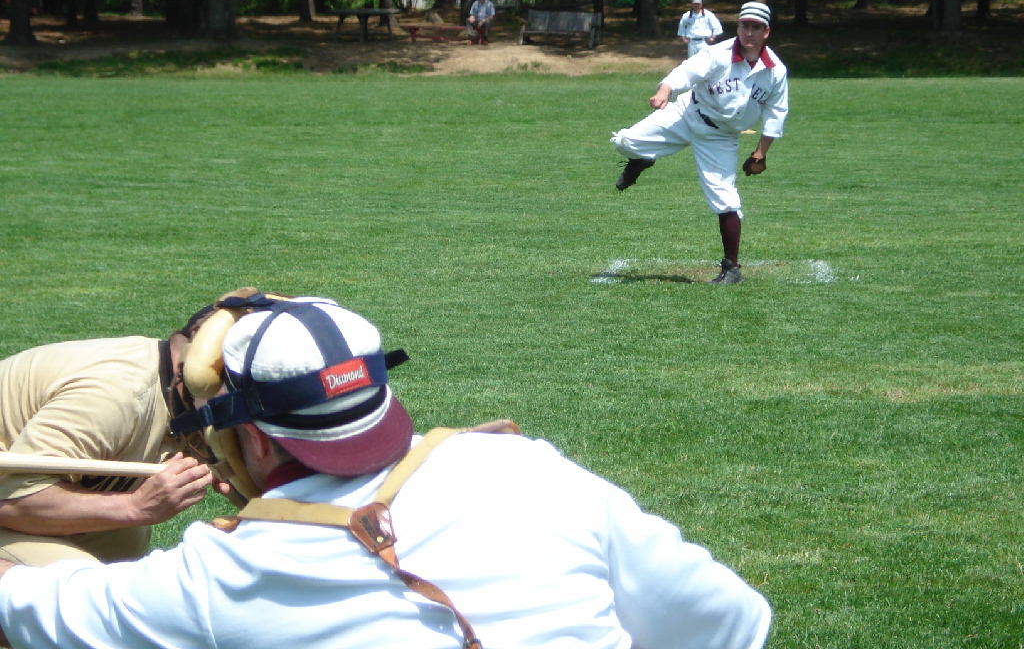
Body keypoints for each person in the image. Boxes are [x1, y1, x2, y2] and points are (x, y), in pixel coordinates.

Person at [0, 292, 772, 649]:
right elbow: (730, 623)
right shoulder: (528, 470)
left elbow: (40, 607)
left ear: (257, 442)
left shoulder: (225, 572)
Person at [0, 308, 218, 567]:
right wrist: (136, 506)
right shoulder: (118, 395)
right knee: (82, 583)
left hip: (22, 493)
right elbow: (12, 500)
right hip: (13, 498)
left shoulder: (185, 394)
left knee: (125, 546)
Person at [611, 1, 789, 285]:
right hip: (687, 113)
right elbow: (686, 71)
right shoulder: (719, 53)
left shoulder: (775, 71)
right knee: (625, 141)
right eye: (745, 25)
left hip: (721, 136)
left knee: (725, 198)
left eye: (756, 27)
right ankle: (643, 158)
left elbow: (777, 113)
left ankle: (732, 269)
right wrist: (664, 90)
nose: (749, 32)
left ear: (766, 32)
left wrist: (760, 152)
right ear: (739, 26)